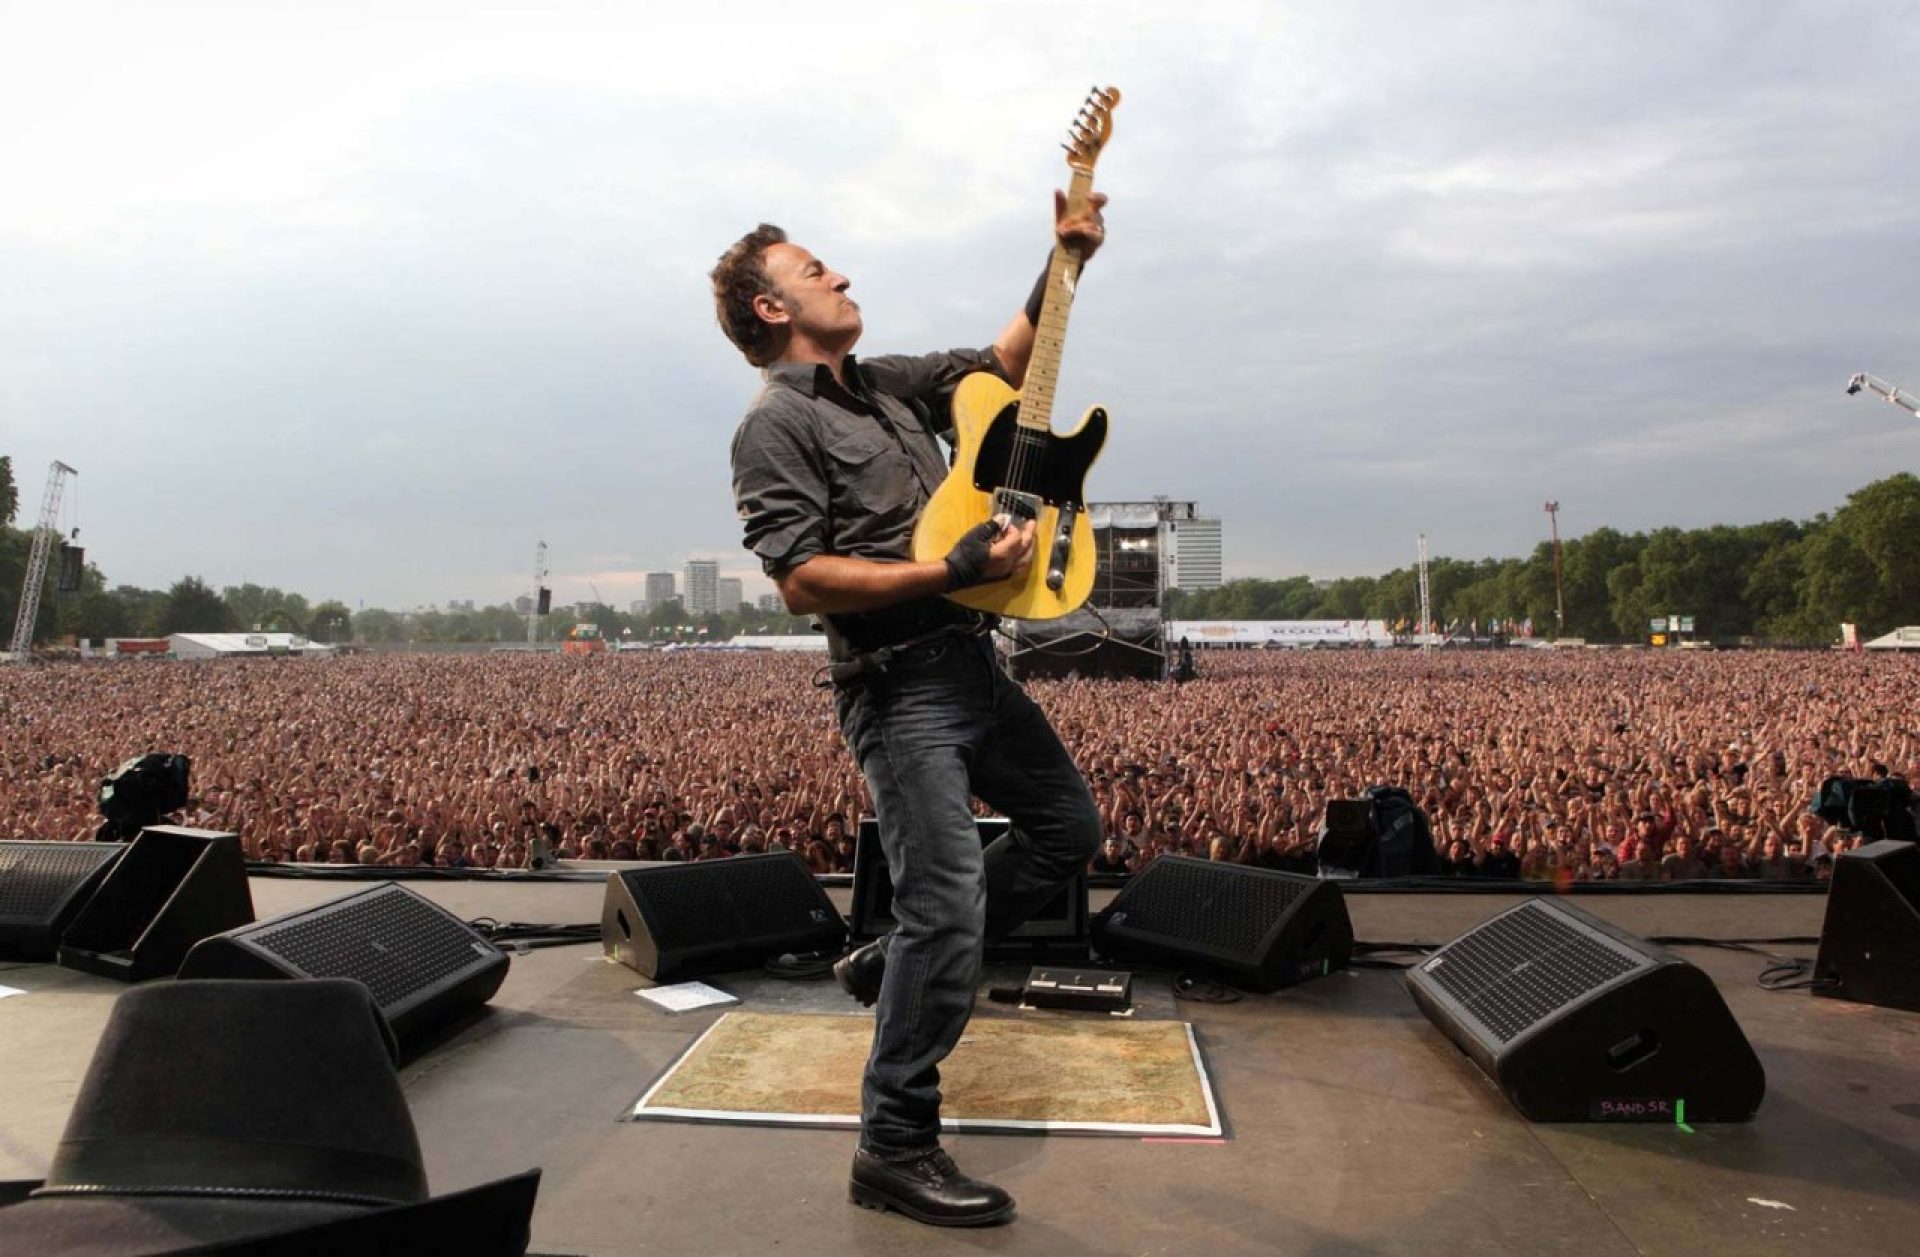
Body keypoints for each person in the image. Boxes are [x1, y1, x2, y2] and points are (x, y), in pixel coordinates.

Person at [717, 187, 1108, 1228]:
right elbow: (801, 578)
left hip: (972, 663)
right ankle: (893, 1145)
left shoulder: (886, 387)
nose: (840, 275)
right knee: (945, 900)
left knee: (1069, 830)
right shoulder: (775, 424)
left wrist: (1064, 259)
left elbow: (1008, 364)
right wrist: (949, 569)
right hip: (899, 690)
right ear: (769, 309)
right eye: (814, 269)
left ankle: (892, 962)